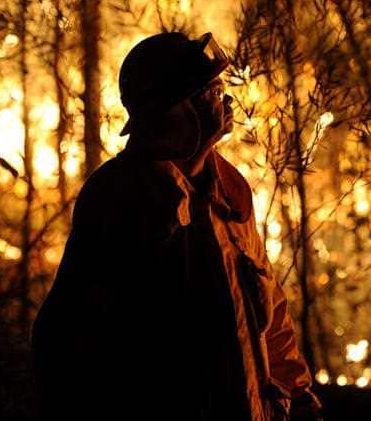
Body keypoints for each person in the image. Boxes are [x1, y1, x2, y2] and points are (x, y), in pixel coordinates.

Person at [31, 32, 323, 420]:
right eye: (212, 92)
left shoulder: (229, 190)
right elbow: (72, 342)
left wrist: (299, 396)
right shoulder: (118, 197)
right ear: (174, 111)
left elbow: (272, 320)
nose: (227, 101)